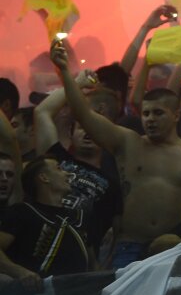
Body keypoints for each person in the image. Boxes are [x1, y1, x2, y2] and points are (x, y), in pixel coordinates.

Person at [52, 41, 181, 269]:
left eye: (158, 113)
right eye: (146, 113)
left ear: (177, 115)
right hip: (128, 246)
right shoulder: (129, 143)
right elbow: (84, 114)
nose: (149, 119)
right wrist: (65, 72)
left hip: (173, 247)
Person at [32, 77, 122, 263]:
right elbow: (42, 112)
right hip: (36, 247)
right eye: (81, 127)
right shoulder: (54, 158)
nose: (87, 132)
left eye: (92, 128)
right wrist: (76, 82)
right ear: (71, 133)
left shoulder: (115, 183)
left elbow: (118, 233)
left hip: (79, 261)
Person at [0, 157, 89, 291]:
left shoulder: (79, 217)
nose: (67, 173)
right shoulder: (22, 212)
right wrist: (19, 272)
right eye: (59, 169)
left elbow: (94, 264)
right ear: (44, 177)